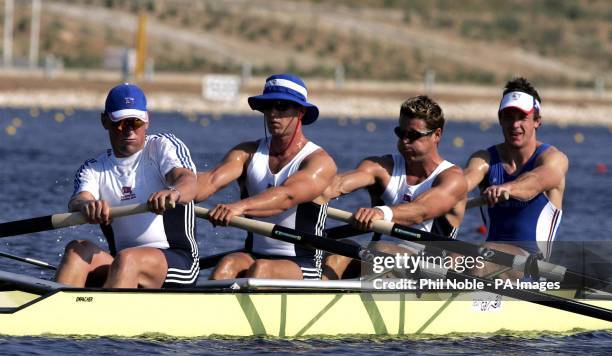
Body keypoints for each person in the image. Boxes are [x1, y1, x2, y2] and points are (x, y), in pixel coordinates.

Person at [55, 83, 199, 288]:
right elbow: (79, 199)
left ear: (147, 121)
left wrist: (174, 194)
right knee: (77, 250)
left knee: (127, 259)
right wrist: (86, 206)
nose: (129, 131)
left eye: (136, 122)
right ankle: (54, 312)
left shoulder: (162, 147)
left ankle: (102, 315)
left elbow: (189, 182)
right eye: (121, 123)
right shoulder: (94, 168)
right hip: (121, 264)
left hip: (177, 261)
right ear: (105, 121)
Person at [196, 74, 336, 280]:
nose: (273, 114)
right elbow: (209, 181)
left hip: (303, 263)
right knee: (227, 265)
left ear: (301, 112)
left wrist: (239, 207)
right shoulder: (246, 152)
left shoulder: (319, 162)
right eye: (268, 107)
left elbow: (285, 197)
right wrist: (174, 192)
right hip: (254, 255)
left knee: (262, 270)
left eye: (282, 107)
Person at [323, 95, 467, 279]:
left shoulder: (452, 179)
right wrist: (309, 193)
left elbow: (420, 211)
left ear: (436, 135)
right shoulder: (382, 167)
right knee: (337, 253)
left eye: (413, 135)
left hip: (430, 269)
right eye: (401, 133)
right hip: (377, 257)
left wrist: (382, 213)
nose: (405, 141)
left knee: (382, 252)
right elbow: (337, 184)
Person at [464, 77, 567, 263]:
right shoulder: (482, 160)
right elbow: (461, 185)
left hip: (533, 269)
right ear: (500, 119)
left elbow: (536, 182)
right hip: (488, 259)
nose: (514, 125)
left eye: (522, 118)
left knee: (482, 255)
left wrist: (507, 189)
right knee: (451, 258)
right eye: (509, 117)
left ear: (537, 121)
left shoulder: (553, 159)